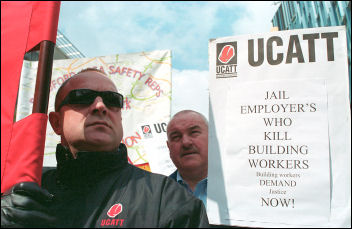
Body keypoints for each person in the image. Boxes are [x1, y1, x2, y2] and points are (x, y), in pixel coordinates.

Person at [1, 68, 209, 228]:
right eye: (82, 97)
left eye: (112, 100)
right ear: (56, 122)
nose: (100, 106)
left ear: (119, 118)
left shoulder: (169, 200)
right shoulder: (23, 190)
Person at [167, 110, 208, 208]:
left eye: (194, 133)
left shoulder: (239, 187)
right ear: (168, 147)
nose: (186, 142)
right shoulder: (158, 195)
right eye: (176, 137)